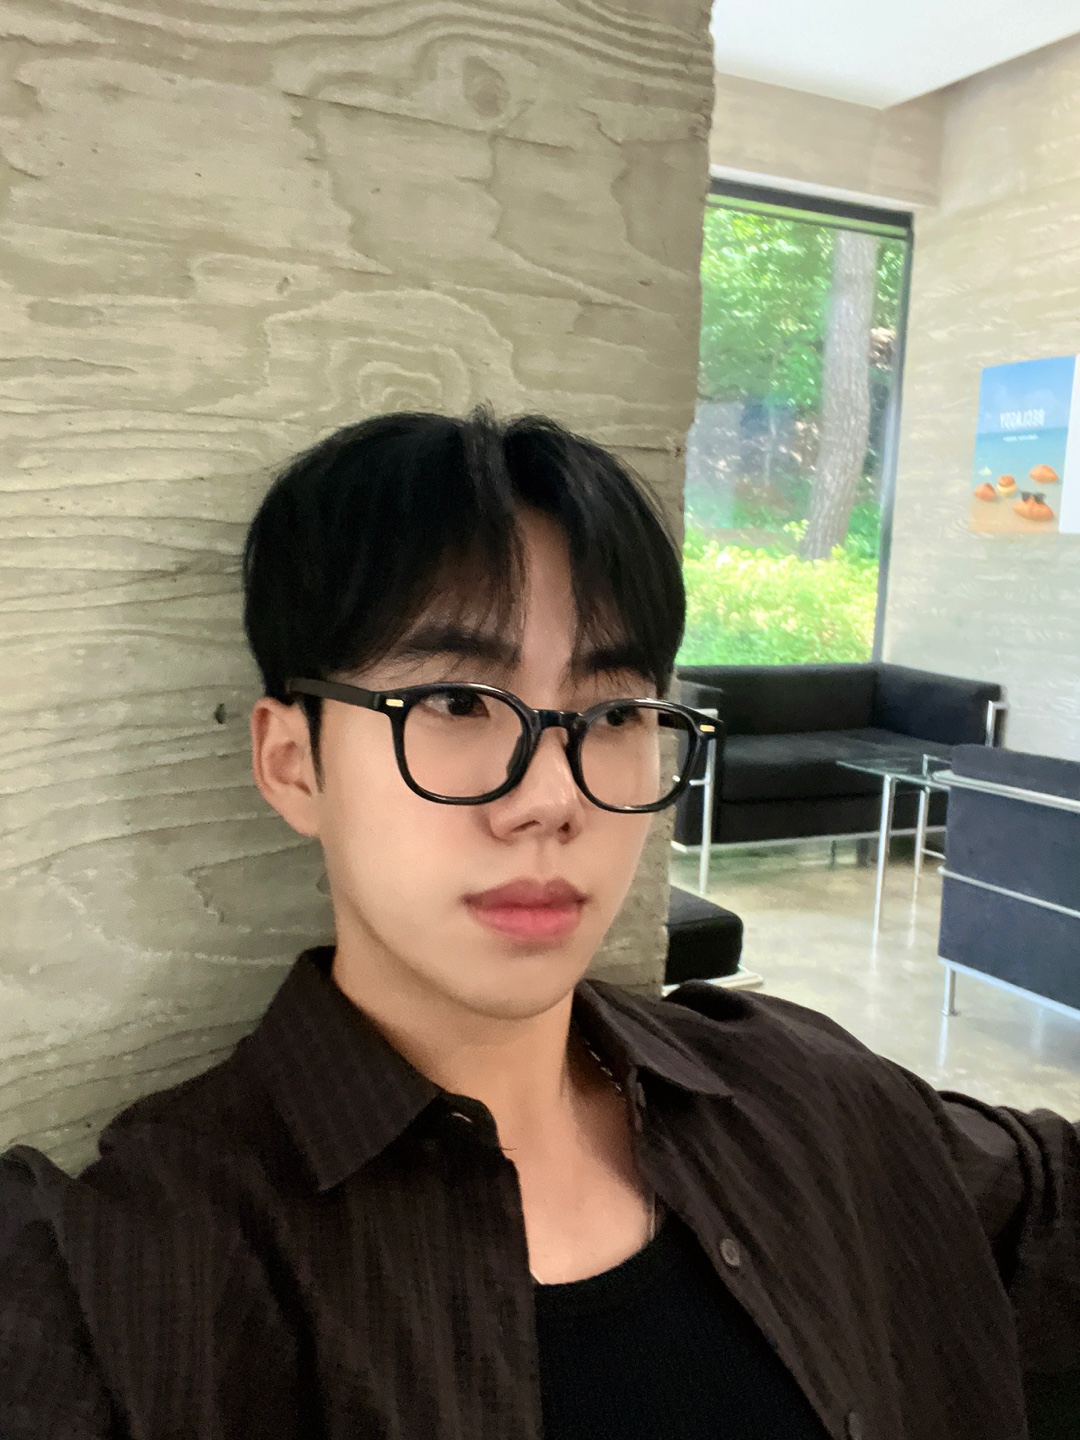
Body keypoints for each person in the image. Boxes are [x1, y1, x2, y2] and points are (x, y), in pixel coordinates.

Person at [0, 406, 1077, 1440]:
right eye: (456, 703)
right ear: (294, 764)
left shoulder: (803, 1097)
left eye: (613, 715)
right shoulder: (129, 1276)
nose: (551, 798)